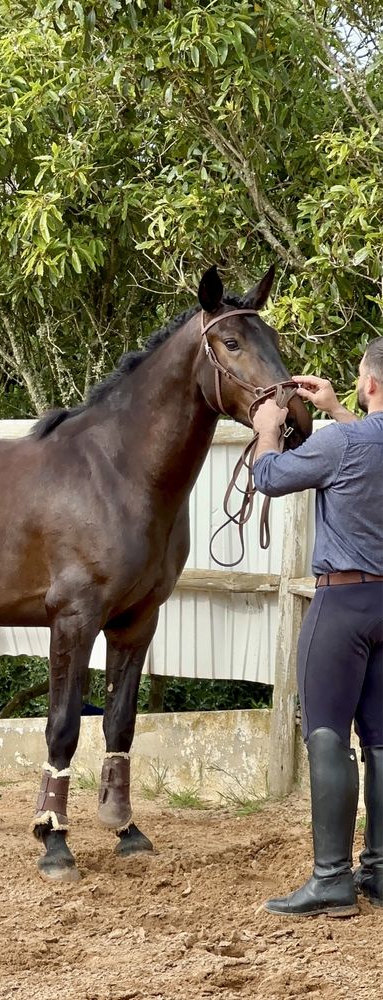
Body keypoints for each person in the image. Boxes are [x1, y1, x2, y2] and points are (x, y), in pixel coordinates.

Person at [251, 339, 383, 917]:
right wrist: (337, 409)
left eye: (358, 378)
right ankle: (379, 871)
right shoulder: (354, 436)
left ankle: (331, 879)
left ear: (371, 383)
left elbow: (270, 478)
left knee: (327, 734)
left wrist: (266, 429)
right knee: (382, 741)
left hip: (342, 606)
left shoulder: (341, 444)